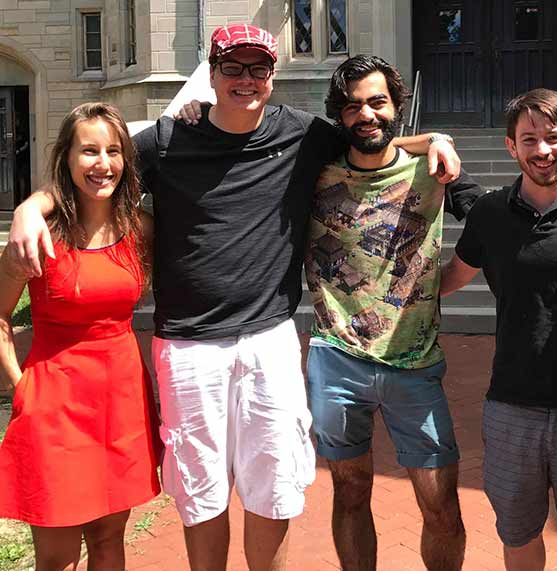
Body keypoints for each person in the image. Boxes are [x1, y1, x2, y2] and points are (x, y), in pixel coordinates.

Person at [7, 24, 463, 571]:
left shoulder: (302, 134)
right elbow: (97, 165)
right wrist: (31, 207)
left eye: (258, 69)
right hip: (188, 347)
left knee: (273, 487)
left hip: (268, 339)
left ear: (271, 76)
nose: (246, 80)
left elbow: (375, 139)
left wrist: (435, 140)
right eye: (233, 68)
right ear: (213, 71)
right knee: (201, 494)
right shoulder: (170, 138)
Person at [305, 55, 483, 571]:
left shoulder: (435, 174)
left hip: (415, 363)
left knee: (441, 505)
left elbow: (499, 222)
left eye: (378, 102)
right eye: (353, 105)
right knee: (350, 490)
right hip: (335, 359)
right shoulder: (315, 173)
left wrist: (447, 280)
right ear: (339, 115)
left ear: (397, 106)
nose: (367, 115)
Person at [440, 88, 557, 571]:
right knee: (518, 534)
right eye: (529, 139)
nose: (543, 150)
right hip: (513, 405)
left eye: (554, 137)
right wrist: (384, 293)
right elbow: (453, 276)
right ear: (510, 147)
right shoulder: (490, 214)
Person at [0, 102, 160, 570]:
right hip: (54, 402)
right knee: (57, 553)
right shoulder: (36, 236)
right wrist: (19, 384)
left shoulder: (141, 230)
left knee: (110, 539)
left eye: (114, 151)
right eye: (88, 151)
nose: (102, 164)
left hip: (120, 399)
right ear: (66, 159)